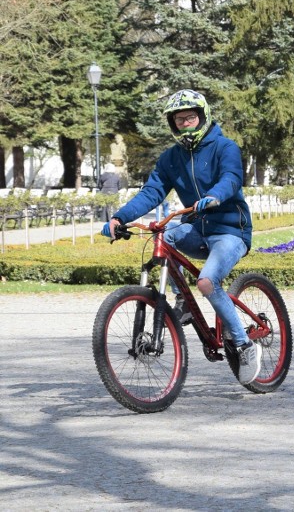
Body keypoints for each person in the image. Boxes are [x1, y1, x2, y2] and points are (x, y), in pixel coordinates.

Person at [101, 89, 260, 385]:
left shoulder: (225, 147)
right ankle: (182, 300)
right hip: (197, 230)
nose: (185, 123)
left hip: (230, 231)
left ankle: (244, 344)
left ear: (202, 117)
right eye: (179, 119)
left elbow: (232, 177)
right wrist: (120, 217)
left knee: (207, 281)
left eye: (190, 117)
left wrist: (215, 196)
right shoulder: (171, 158)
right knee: (167, 234)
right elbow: (152, 192)